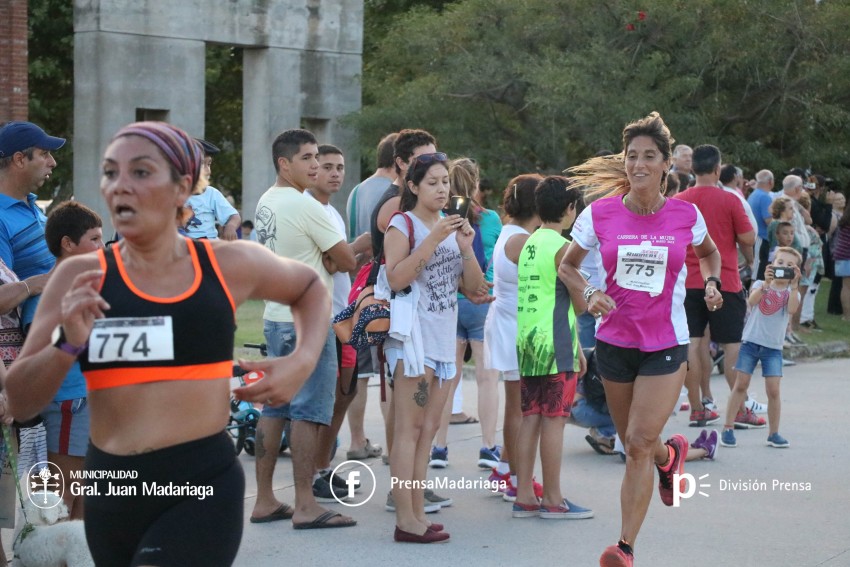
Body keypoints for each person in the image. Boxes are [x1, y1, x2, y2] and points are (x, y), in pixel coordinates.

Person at [4, 121, 332, 565]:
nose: (121, 185)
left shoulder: (226, 263)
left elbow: (310, 287)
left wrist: (301, 360)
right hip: (111, 487)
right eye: (111, 172)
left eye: (140, 172)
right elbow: (21, 400)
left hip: (198, 483)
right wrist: (66, 344)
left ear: (183, 187)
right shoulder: (78, 276)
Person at [560, 112, 722, 567]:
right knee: (638, 442)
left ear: (666, 164)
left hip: (665, 344)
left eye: (649, 156)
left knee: (635, 443)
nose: (638, 164)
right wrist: (588, 292)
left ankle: (624, 547)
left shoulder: (685, 214)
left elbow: (709, 254)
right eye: (632, 156)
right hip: (615, 343)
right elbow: (567, 266)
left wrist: (711, 283)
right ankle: (670, 455)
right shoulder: (599, 214)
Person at [251, 129, 357, 528]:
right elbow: (346, 260)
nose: (316, 165)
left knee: (275, 408)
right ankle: (306, 505)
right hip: (309, 322)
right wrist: (343, 252)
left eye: (317, 157)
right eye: (307, 158)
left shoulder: (267, 199)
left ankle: (264, 500)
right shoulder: (305, 205)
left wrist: (327, 258)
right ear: (285, 164)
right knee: (309, 412)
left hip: (276, 317)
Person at [383, 152, 485, 543]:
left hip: (443, 340)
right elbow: (396, 279)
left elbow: (473, 288)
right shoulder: (403, 224)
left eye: (445, 182)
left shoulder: (450, 225)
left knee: (427, 430)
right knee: (408, 429)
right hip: (413, 341)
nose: (442, 189)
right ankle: (404, 519)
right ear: (413, 186)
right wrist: (434, 238)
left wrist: (465, 246)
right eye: (432, 182)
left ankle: (418, 514)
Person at [511, 176, 592, 521]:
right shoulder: (563, 247)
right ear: (570, 209)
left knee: (530, 417)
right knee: (555, 420)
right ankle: (554, 499)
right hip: (555, 344)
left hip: (528, 340)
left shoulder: (529, 242)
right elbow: (581, 303)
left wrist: (577, 347)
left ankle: (524, 495)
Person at [307, 144, 373, 499]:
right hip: (320, 318)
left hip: (343, 316)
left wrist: (355, 254)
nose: (335, 173)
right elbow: (330, 262)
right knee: (321, 400)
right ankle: (312, 474)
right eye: (327, 166)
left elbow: (340, 263)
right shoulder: (307, 209)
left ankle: (323, 466)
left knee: (345, 395)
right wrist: (356, 246)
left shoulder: (332, 211)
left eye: (340, 167)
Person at [673, 146, 754, 429]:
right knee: (732, 344)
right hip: (724, 280)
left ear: (692, 169)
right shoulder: (730, 199)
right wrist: (748, 258)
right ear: (718, 169)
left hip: (687, 282)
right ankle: (739, 408)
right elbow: (748, 237)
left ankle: (697, 408)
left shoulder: (679, 200)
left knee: (691, 343)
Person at [431, 157, 502, 470]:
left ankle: (439, 447)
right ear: (476, 185)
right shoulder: (491, 220)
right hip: (482, 299)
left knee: (449, 377)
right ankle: (488, 446)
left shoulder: (441, 219)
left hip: (450, 301)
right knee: (487, 378)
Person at [40, 201, 104, 519]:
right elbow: (45, 349)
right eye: (94, 239)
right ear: (67, 243)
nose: (102, 247)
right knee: (61, 498)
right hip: (69, 401)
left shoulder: (86, 286)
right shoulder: (50, 292)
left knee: (86, 496)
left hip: (91, 396)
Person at [482, 173, 542, 500]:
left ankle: (505, 468)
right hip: (515, 326)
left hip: (507, 322)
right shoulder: (522, 241)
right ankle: (518, 479)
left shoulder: (511, 232)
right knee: (520, 408)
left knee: (516, 405)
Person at [720, 247, 802, 449]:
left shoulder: (792, 293)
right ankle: (728, 428)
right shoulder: (760, 284)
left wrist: (794, 286)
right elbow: (751, 301)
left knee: (773, 390)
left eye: (790, 266)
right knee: (741, 384)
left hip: (773, 348)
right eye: (780, 263)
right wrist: (766, 284)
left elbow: (792, 309)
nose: (783, 267)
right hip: (751, 342)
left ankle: (773, 433)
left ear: (795, 271)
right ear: (772, 265)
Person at [180, 139, 241, 240]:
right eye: (202, 164)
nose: (208, 170)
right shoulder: (175, 194)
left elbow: (234, 216)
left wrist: (230, 226)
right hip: (184, 244)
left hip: (209, 243)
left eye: (209, 164)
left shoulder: (212, 194)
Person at [747, 169, 775, 280]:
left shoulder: (753, 195)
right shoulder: (764, 197)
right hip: (761, 238)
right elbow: (768, 220)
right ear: (770, 182)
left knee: (757, 272)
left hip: (755, 237)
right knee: (757, 275)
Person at [833, 203, 850, 321]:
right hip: (848, 256)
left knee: (846, 287)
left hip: (841, 256)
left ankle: (847, 315)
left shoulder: (843, 221)